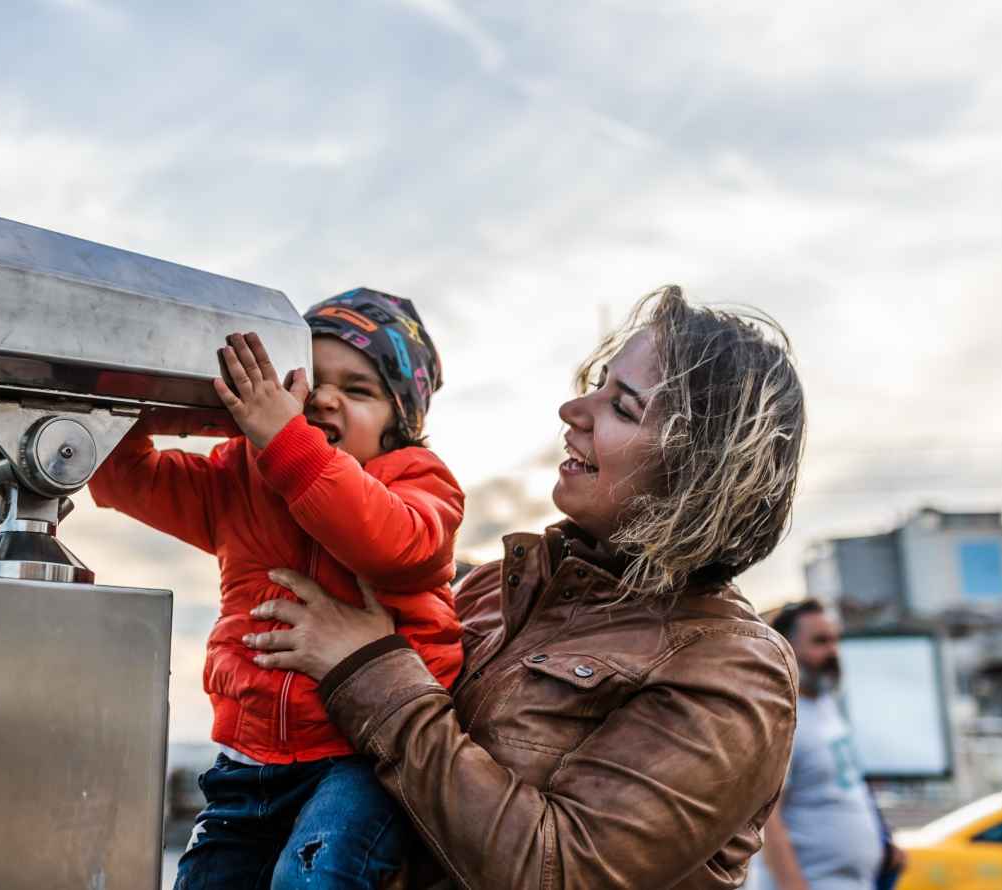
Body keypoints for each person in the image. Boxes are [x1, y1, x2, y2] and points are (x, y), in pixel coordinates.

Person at [244, 285, 807, 888]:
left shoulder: (732, 669)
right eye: (597, 385)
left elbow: (560, 871)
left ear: (702, 469)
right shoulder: (495, 586)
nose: (573, 410)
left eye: (622, 408)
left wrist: (367, 667)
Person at [89, 288, 464, 889]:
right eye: (308, 381)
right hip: (248, 761)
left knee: (311, 877)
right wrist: (199, 410)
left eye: (358, 389)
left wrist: (287, 441)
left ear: (400, 425)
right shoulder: (239, 476)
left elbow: (393, 544)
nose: (324, 399)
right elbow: (119, 472)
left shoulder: (420, 481)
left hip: (363, 757)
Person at [761, 600, 906, 890]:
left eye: (835, 641)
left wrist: (883, 844)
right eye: (820, 642)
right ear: (786, 648)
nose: (833, 651)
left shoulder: (825, 704)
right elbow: (767, 817)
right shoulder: (780, 716)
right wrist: (792, 885)